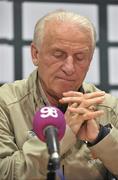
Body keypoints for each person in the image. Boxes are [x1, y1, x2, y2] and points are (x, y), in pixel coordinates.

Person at [0, 9, 118, 180]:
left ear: (90, 60)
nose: (69, 68)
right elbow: (5, 173)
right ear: (35, 54)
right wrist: (63, 132)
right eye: (58, 55)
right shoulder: (5, 103)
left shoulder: (108, 107)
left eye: (80, 57)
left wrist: (101, 137)